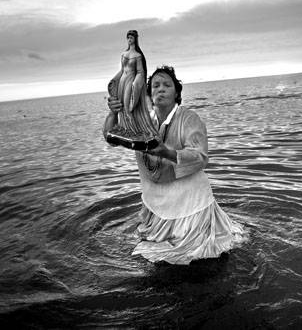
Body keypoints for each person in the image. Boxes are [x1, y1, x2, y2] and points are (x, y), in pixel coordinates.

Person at [103, 65, 248, 265]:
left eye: (166, 85)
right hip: (157, 199)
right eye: (155, 85)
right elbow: (112, 138)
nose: (160, 89)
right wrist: (113, 114)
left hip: (189, 201)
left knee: (198, 254)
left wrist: (166, 152)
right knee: (159, 252)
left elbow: (200, 156)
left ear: (176, 93)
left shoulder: (189, 119)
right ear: (149, 93)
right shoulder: (141, 122)